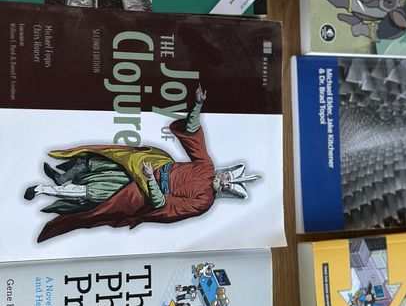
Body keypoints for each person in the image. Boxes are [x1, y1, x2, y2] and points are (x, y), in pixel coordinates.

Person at [25, 87, 260, 242]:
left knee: (96, 193)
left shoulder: (204, 202)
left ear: (227, 192)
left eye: (228, 186)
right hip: (151, 165)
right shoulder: (207, 167)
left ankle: (43, 190)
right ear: (225, 173)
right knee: (104, 159)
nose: (224, 182)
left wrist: (149, 180)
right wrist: (198, 105)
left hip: (142, 194)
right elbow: (192, 136)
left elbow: (165, 207)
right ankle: (62, 176)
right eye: (227, 179)